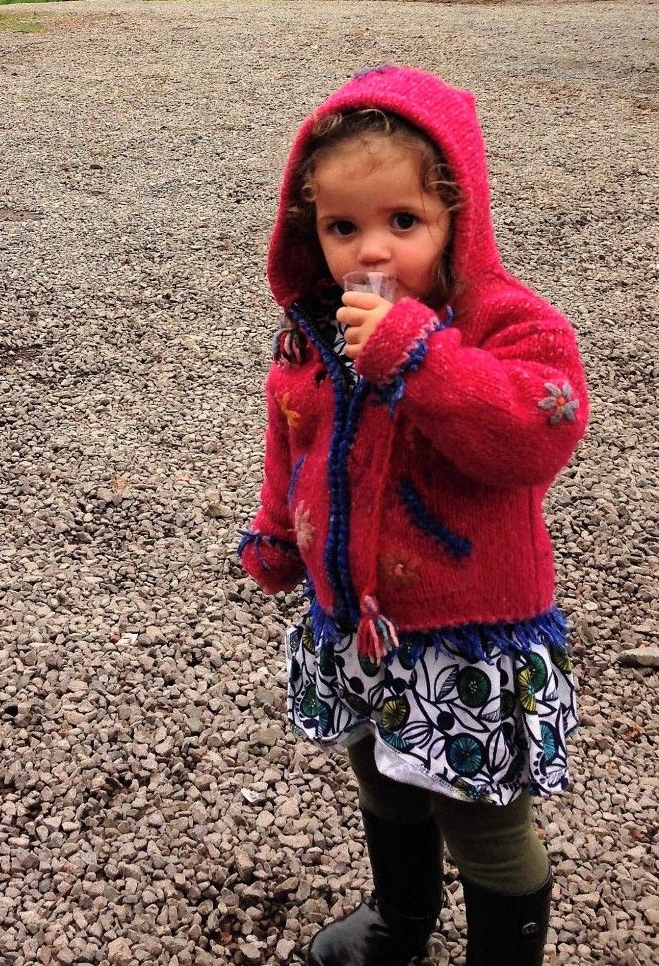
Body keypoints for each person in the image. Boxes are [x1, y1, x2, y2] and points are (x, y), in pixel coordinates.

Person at [238, 66, 588, 966]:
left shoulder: (507, 322)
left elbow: (535, 433)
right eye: (342, 228)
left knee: (481, 819)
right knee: (383, 773)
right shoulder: (315, 326)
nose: (371, 252)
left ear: (455, 219)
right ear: (308, 230)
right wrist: (280, 529)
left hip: (468, 627)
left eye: (403, 222)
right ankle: (401, 917)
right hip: (356, 619)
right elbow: (293, 430)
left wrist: (419, 357)